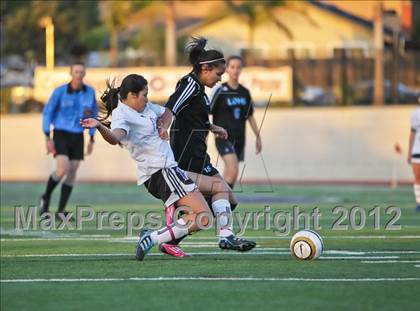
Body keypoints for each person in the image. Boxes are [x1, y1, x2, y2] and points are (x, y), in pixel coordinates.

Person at [80, 74, 212, 261]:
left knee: (204, 214)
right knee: (203, 217)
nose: (147, 99)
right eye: (144, 95)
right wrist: (100, 127)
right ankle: (154, 238)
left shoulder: (146, 107)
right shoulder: (122, 114)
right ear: (132, 95)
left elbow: (166, 114)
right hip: (162, 172)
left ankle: (158, 238)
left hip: (168, 171)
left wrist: (164, 126)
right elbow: (115, 137)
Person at [160, 37, 256, 254]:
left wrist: (212, 127)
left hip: (199, 155)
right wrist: (163, 126)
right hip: (186, 157)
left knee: (229, 199)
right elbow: (172, 106)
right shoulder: (190, 84)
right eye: (218, 74)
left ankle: (174, 235)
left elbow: (194, 117)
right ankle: (224, 236)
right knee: (218, 195)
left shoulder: (200, 90)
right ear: (205, 68)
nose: (219, 79)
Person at [39, 62, 98, 219]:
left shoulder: (89, 92)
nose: (79, 75)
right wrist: (47, 136)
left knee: (72, 171)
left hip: (78, 135)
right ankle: (45, 197)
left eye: (81, 72)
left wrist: (92, 138)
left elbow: (93, 115)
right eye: (76, 72)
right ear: (71, 74)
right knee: (62, 169)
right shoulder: (59, 92)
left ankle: (60, 211)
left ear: (84, 74)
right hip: (60, 133)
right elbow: (47, 113)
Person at [209, 55, 262, 189]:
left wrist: (258, 136)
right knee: (233, 170)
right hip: (223, 137)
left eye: (238, 67)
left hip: (239, 138)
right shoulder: (219, 90)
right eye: (232, 67)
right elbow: (206, 112)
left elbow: (249, 116)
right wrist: (206, 132)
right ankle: (223, 202)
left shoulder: (244, 92)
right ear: (226, 69)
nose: (235, 70)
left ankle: (218, 202)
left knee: (229, 174)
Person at [408, 101, 420, 212]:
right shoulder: (415, 114)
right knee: (417, 177)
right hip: (417, 150)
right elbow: (412, 133)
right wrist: (409, 152)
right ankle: (419, 202)